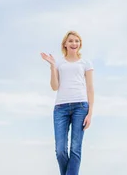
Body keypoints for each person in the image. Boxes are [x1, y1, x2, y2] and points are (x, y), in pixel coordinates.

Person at [40, 31, 95, 175]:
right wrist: (52, 66)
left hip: (81, 107)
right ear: (65, 44)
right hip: (61, 108)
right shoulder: (59, 63)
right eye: (71, 41)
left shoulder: (86, 63)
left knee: (75, 149)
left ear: (80, 44)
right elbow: (54, 87)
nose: (74, 43)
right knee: (60, 151)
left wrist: (90, 113)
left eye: (77, 41)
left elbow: (90, 88)